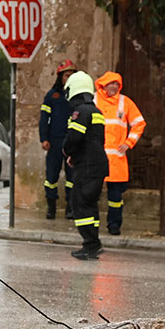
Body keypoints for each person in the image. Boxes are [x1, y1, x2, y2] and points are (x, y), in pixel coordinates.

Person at [61, 70, 108, 259]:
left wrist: (68, 152)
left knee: (79, 203)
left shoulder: (80, 112)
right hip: (97, 164)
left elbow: (74, 138)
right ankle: (94, 243)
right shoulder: (97, 112)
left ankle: (90, 245)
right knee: (90, 204)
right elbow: (94, 140)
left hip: (87, 167)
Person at [93, 71, 147, 235]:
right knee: (92, 195)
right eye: (111, 83)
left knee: (115, 198)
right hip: (97, 157)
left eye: (117, 84)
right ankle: (91, 226)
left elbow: (139, 124)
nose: (114, 86)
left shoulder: (125, 102)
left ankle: (114, 225)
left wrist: (128, 143)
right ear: (104, 85)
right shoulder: (94, 100)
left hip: (116, 159)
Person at [39, 60, 78, 219]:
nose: (68, 78)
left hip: (72, 141)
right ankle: (51, 207)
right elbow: (44, 118)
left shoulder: (77, 96)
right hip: (54, 141)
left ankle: (70, 207)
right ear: (60, 77)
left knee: (72, 177)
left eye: (71, 76)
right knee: (51, 176)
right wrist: (44, 138)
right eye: (66, 75)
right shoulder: (52, 96)